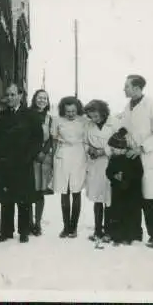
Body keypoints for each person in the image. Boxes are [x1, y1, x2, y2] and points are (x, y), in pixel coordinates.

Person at [120, 74, 153, 248]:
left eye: (126, 86)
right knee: (133, 196)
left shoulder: (152, 106)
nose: (123, 89)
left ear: (137, 88)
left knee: (151, 198)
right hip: (131, 158)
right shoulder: (127, 108)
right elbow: (123, 130)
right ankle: (134, 233)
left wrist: (141, 148)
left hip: (148, 157)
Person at [0, 84, 43, 243]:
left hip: (23, 162)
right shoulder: (3, 115)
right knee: (6, 198)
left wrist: (28, 157)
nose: (10, 98)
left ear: (21, 96)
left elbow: (38, 139)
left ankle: (24, 231)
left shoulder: (31, 115)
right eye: (7, 95)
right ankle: (6, 231)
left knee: (24, 198)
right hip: (6, 163)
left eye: (13, 94)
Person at [51, 96, 88, 239]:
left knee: (76, 191)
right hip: (63, 155)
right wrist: (54, 159)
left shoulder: (84, 121)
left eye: (73, 111)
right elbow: (54, 140)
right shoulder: (57, 121)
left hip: (79, 156)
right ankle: (66, 227)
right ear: (63, 110)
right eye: (68, 111)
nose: (71, 114)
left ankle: (74, 227)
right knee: (64, 191)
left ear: (77, 109)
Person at [84, 99, 119, 243]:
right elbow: (84, 142)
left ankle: (109, 231)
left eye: (96, 115)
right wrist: (90, 150)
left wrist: (103, 151)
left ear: (103, 112)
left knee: (109, 199)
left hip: (110, 163)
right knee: (97, 198)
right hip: (95, 165)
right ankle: (97, 230)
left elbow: (119, 143)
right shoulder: (88, 125)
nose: (94, 119)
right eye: (91, 116)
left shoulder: (114, 123)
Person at [105, 128, 144, 245]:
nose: (111, 151)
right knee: (117, 214)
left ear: (122, 148)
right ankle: (117, 236)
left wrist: (126, 177)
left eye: (113, 149)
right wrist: (114, 176)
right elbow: (108, 172)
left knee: (131, 214)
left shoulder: (132, 157)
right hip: (118, 192)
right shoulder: (113, 158)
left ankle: (131, 236)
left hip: (131, 192)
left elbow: (139, 173)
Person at [29, 89, 54, 236]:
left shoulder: (49, 118)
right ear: (34, 99)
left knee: (40, 192)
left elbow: (50, 138)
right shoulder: (28, 114)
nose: (42, 100)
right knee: (29, 190)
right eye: (39, 98)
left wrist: (43, 152)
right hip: (29, 157)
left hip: (43, 158)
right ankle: (28, 223)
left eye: (45, 98)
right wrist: (32, 153)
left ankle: (37, 223)